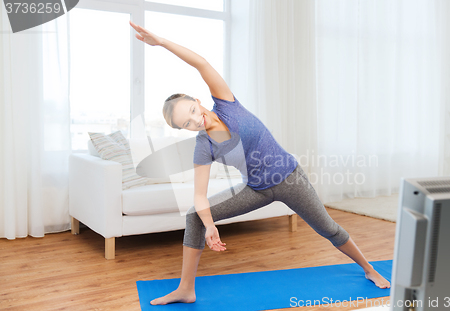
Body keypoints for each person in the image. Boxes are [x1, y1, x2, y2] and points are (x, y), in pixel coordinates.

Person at [129, 20, 391, 306]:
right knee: (195, 215)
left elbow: (201, 63)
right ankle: (185, 289)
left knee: (328, 229)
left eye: (192, 110)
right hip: (257, 190)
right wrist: (210, 226)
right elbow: (200, 196)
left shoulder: (226, 103)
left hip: (291, 180)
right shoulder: (203, 147)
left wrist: (163, 42)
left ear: (198, 100)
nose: (195, 120)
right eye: (187, 123)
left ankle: (368, 269)